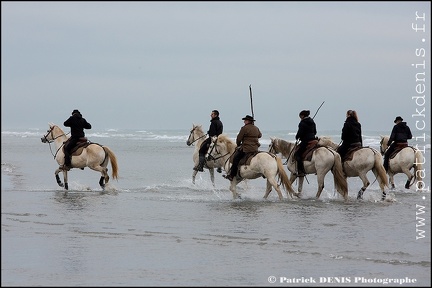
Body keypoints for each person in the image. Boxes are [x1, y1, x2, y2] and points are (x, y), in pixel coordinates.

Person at [225, 115, 262, 181]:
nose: (244, 121)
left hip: (246, 148)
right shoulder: (256, 128)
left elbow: (239, 138)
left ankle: (232, 175)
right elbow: (260, 135)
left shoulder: (244, 128)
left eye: (245, 120)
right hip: (255, 149)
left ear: (248, 121)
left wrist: (238, 144)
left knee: (235, 159)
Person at [294, 110, 317, 176]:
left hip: (306, 141)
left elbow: (300, 133)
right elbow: (315, 132)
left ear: (302, 116)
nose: (300, 118)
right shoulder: (312, 122)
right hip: (313, 139)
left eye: (300, 116)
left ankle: (300, 171)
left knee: (297, 154)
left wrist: (297, 137)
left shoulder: (302, 123)